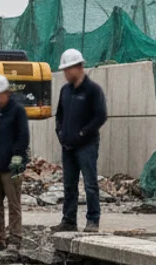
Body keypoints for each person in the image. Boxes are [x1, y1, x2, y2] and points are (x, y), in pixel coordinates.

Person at [54, 48, 107, 233]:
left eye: (68, 69)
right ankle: (69, 220)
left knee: (90, 183)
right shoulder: (65, 91)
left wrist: (84, 133)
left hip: (86, 146)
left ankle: (93, 219)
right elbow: (59, 114)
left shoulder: (93, 90)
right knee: (69, 185)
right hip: (68, 146)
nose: (66, 73)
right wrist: (60, 132)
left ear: (79, 67)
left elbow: (100, 116)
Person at [0, 75, 30, 252]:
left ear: (4, 93)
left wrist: (17, 157)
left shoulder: (17, 111)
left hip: (11, 165)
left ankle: (15, 239)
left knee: (13, 204)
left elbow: (23, 137)